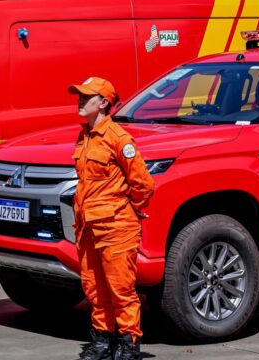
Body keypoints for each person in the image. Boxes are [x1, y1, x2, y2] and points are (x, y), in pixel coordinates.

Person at [68, 77, 155, 360]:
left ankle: (128, 345)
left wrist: (123, 211)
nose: (80, 101)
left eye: (87, 97)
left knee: (121, 289)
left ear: (104, 103)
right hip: (88, 227)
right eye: (80, 96)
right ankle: (102, 340)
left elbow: (143, 184)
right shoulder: (84, 136)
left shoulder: (119, 139)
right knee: (94, 287)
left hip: (116, 227)